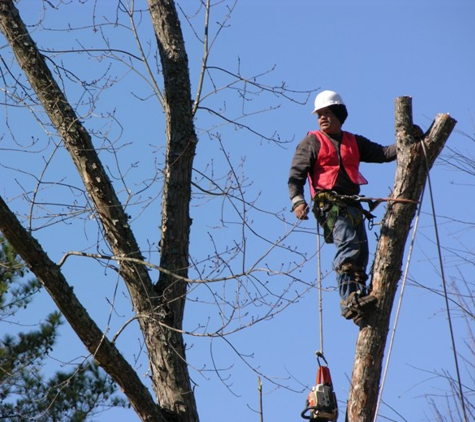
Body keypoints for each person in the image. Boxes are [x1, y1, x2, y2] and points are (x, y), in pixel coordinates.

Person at [288, 90, 398, 325]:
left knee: (361, 252)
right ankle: (349, 298)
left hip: (352, 205)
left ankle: (358, 302)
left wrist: (409, 141)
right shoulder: (312, 142)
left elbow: (383, 153)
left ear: (339, 114)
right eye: (319, 115)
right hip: (329, 205)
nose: (322, 118)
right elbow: (296, 176)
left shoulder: (353, 141)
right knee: (348, 245)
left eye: (327, 113)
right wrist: (297, 201)